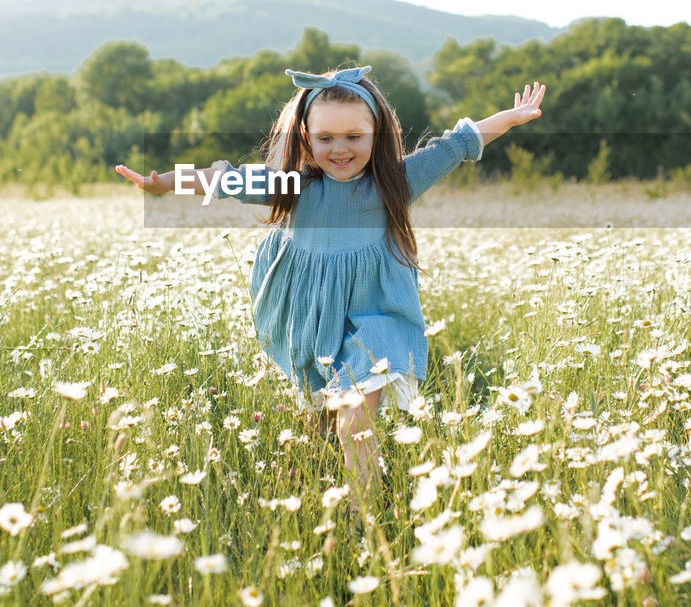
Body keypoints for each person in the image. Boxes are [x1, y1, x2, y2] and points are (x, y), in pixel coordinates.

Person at [114, 66, 545, 512]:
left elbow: (455, 145)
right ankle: (328, 488)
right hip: (309, 311)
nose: (339, 149)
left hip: (376, 317)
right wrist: (165, 182)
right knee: (323, 418)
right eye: (325, 138)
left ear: (377, 135)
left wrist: (508, 119)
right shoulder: (293, 184)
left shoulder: (395, 182)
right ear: (306, 136)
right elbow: (227, 180)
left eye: (354, 137)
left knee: (354, 423)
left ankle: (367, 524)